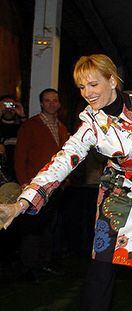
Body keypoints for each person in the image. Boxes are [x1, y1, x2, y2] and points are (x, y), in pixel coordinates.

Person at [0, 54, 132, 311]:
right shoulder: (90, 124)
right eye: (82, 87)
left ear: (112, 80)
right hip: (117, 192)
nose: (87, 92)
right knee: (102, 263)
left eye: (93, 84)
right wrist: (21, 204)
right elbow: (61, 163)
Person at [14, 88, 69, 279]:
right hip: (35, 186)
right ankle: (29, 266)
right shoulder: (31, 125)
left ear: (59, 104)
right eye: (47, 101)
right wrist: (23, 182)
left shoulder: (61, 127)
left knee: (50, 226)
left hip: (55, 187)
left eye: (55, 100)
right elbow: (20, 156)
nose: (52, 104)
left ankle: (44, 262)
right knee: (32, 227)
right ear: (42, 103)